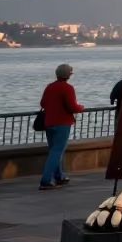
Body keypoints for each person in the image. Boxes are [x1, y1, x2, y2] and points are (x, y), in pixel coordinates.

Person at [39, 63, 84, 191]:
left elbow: (43, 103)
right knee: (57, 151)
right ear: (68, 75)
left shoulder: (50, 87)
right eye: (70, 72)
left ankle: (59, 176)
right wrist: (80, 108)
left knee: (54, 150)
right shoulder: (68, 88)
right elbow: (71, 107)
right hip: (62, 123)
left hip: (49, 123)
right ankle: (46, 180)